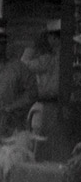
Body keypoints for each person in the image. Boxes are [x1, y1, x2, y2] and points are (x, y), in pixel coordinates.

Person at [21, 18, 60, 158]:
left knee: (38, 151)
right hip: (61, 106)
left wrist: (33, 45)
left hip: (47, 107)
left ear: (54, 38)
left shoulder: (48, 59)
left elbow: (22, 65)